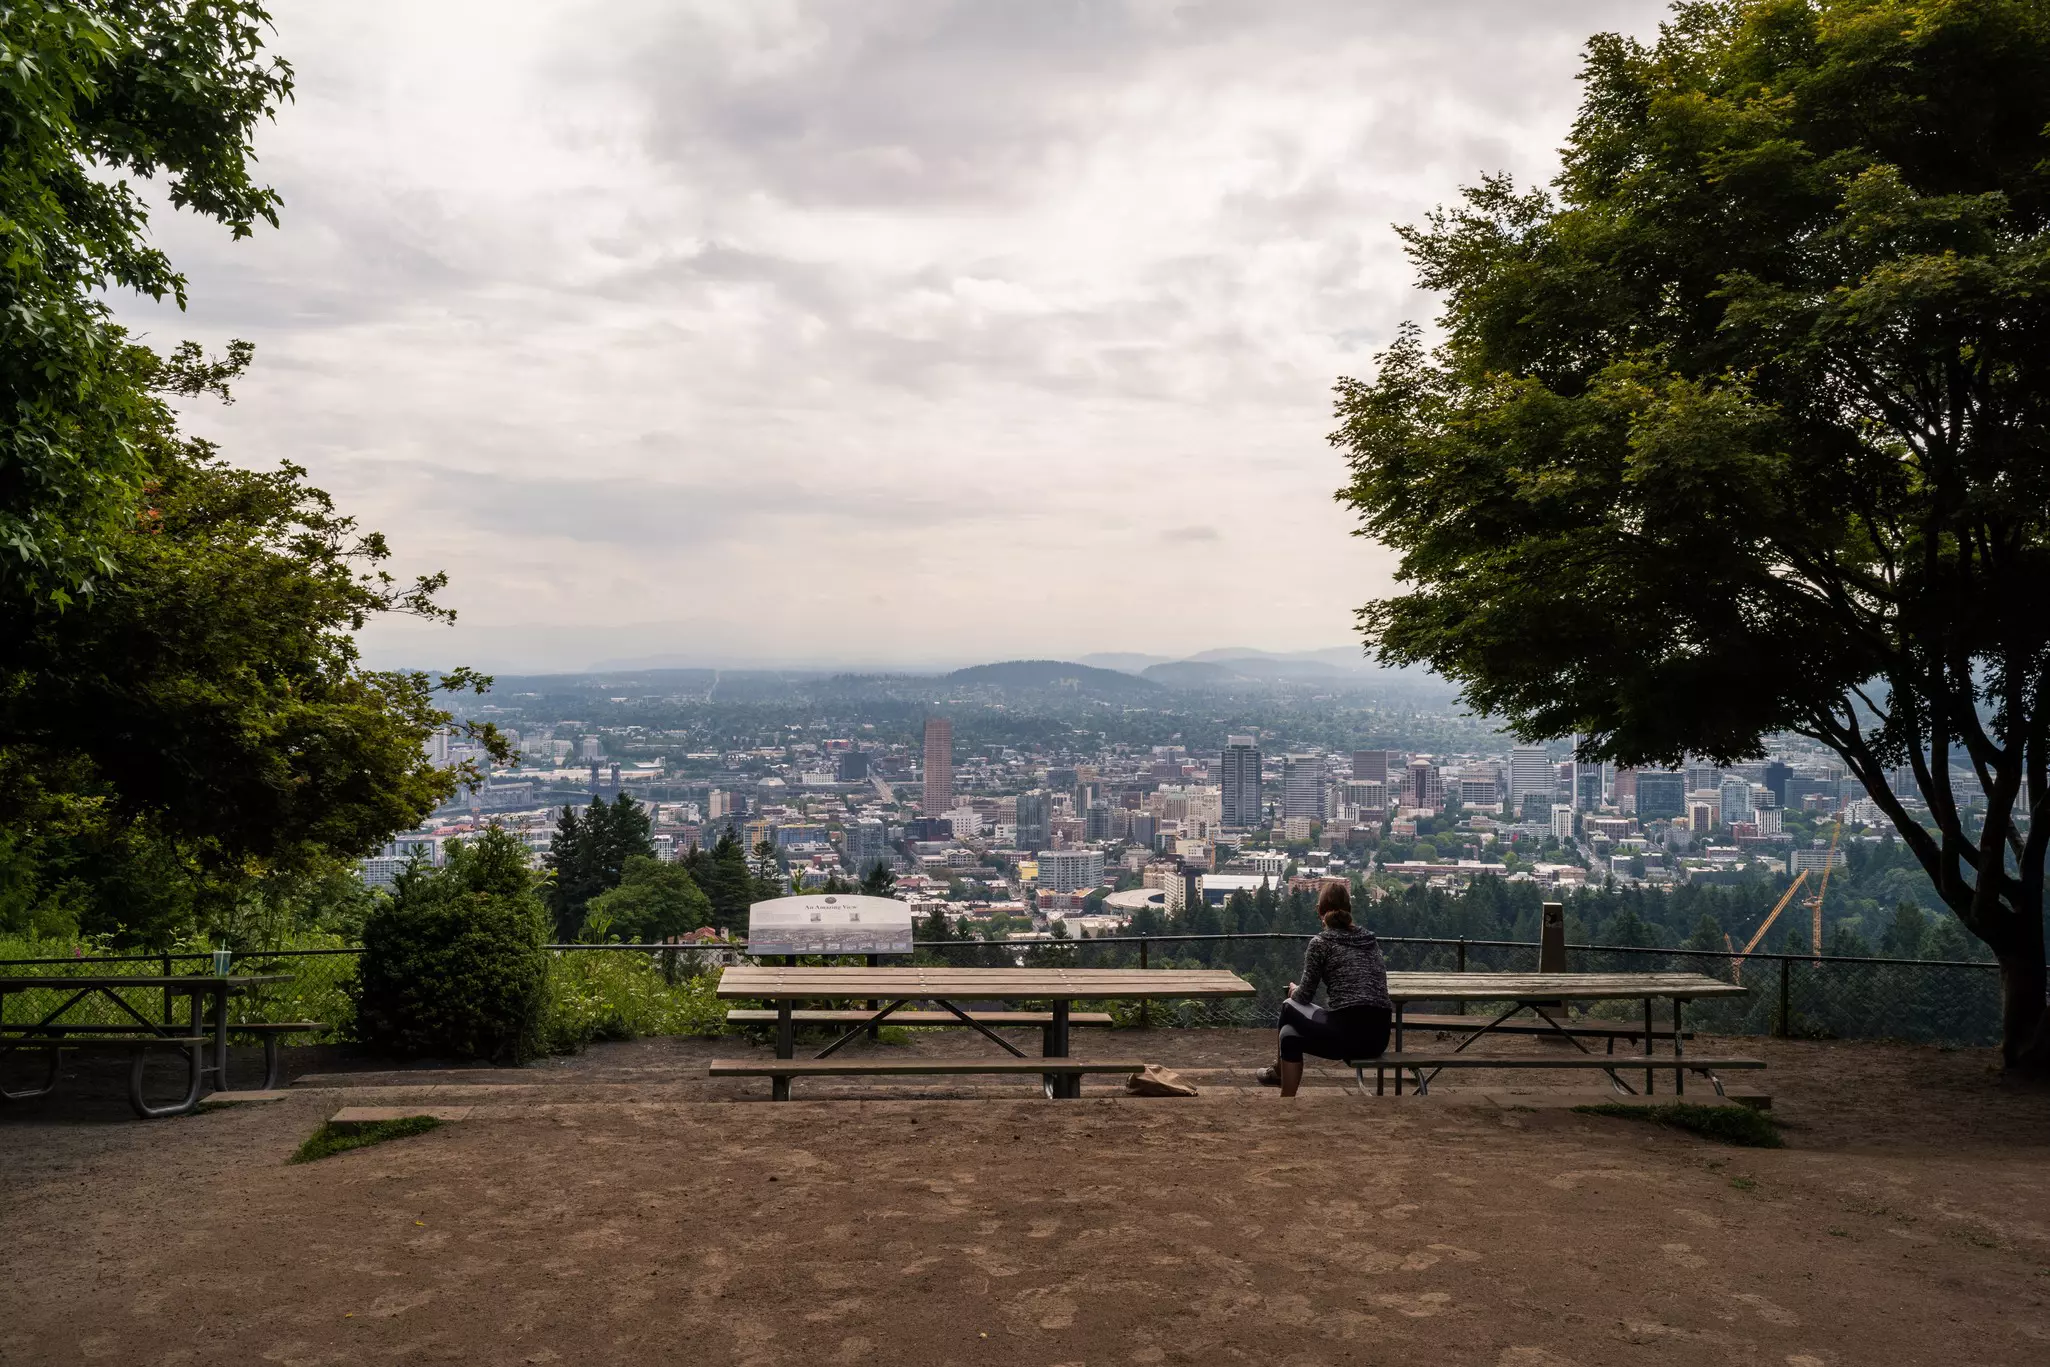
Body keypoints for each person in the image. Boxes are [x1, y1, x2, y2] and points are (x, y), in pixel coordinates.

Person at [1258, 881, 1391, 1096]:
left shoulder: (1321, 943)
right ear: (1349, 910)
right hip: (1378, 1037)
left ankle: (1279, 1073)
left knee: (1287, 1006)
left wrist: (1294, 990)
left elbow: (1304, 996)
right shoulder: (1369, 939)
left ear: (1319, 911)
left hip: (1346, 1034)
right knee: (1289, 1036)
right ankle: (1284, 1097)